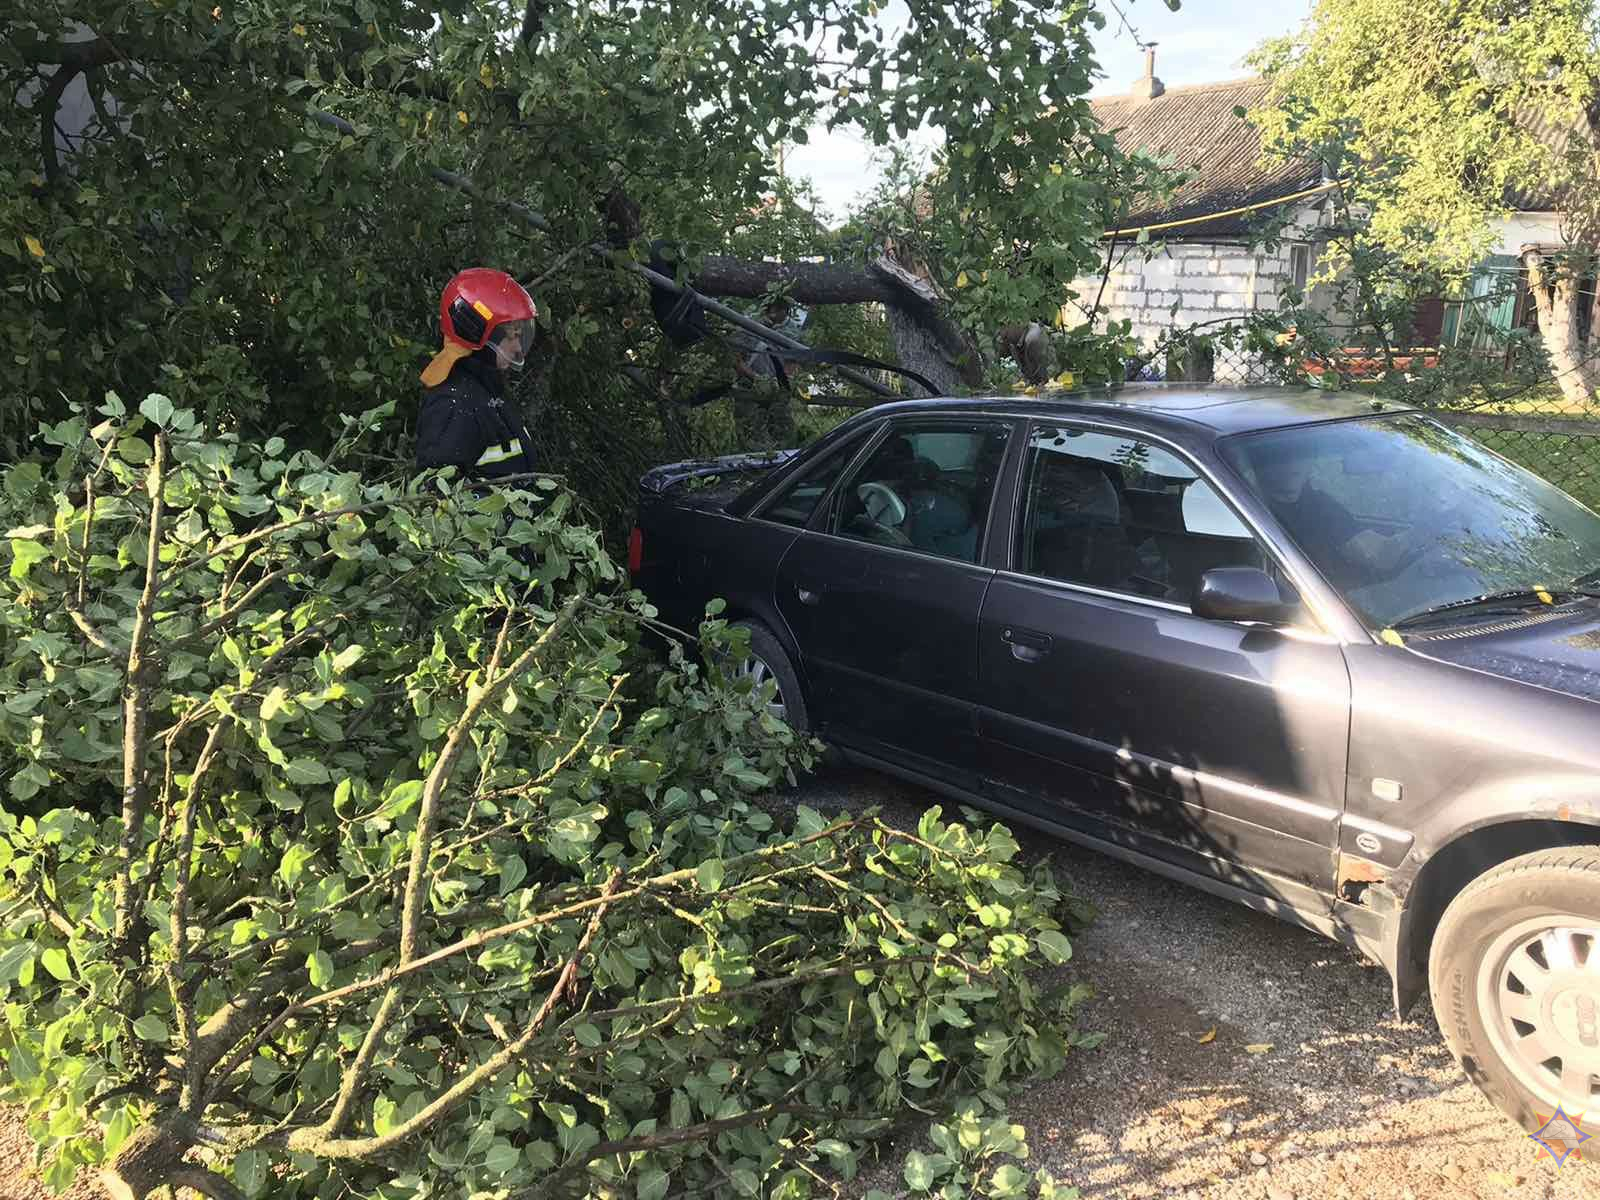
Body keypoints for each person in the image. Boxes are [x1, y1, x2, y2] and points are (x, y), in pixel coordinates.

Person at [416, 268, 538, 480]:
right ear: (477, 332)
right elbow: (438, 501)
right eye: (511, 337)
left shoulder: (488, 388)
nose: (518, 347)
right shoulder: (453, 405)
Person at [1257, 455, 1410, 578]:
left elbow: (1377, 554)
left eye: (1302, 453)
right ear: (1260, 465)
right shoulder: (1249, 507)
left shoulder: (1319, 505)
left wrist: (1421, 534)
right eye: (1280, 456)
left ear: (1311, 462)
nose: (1293, 462)